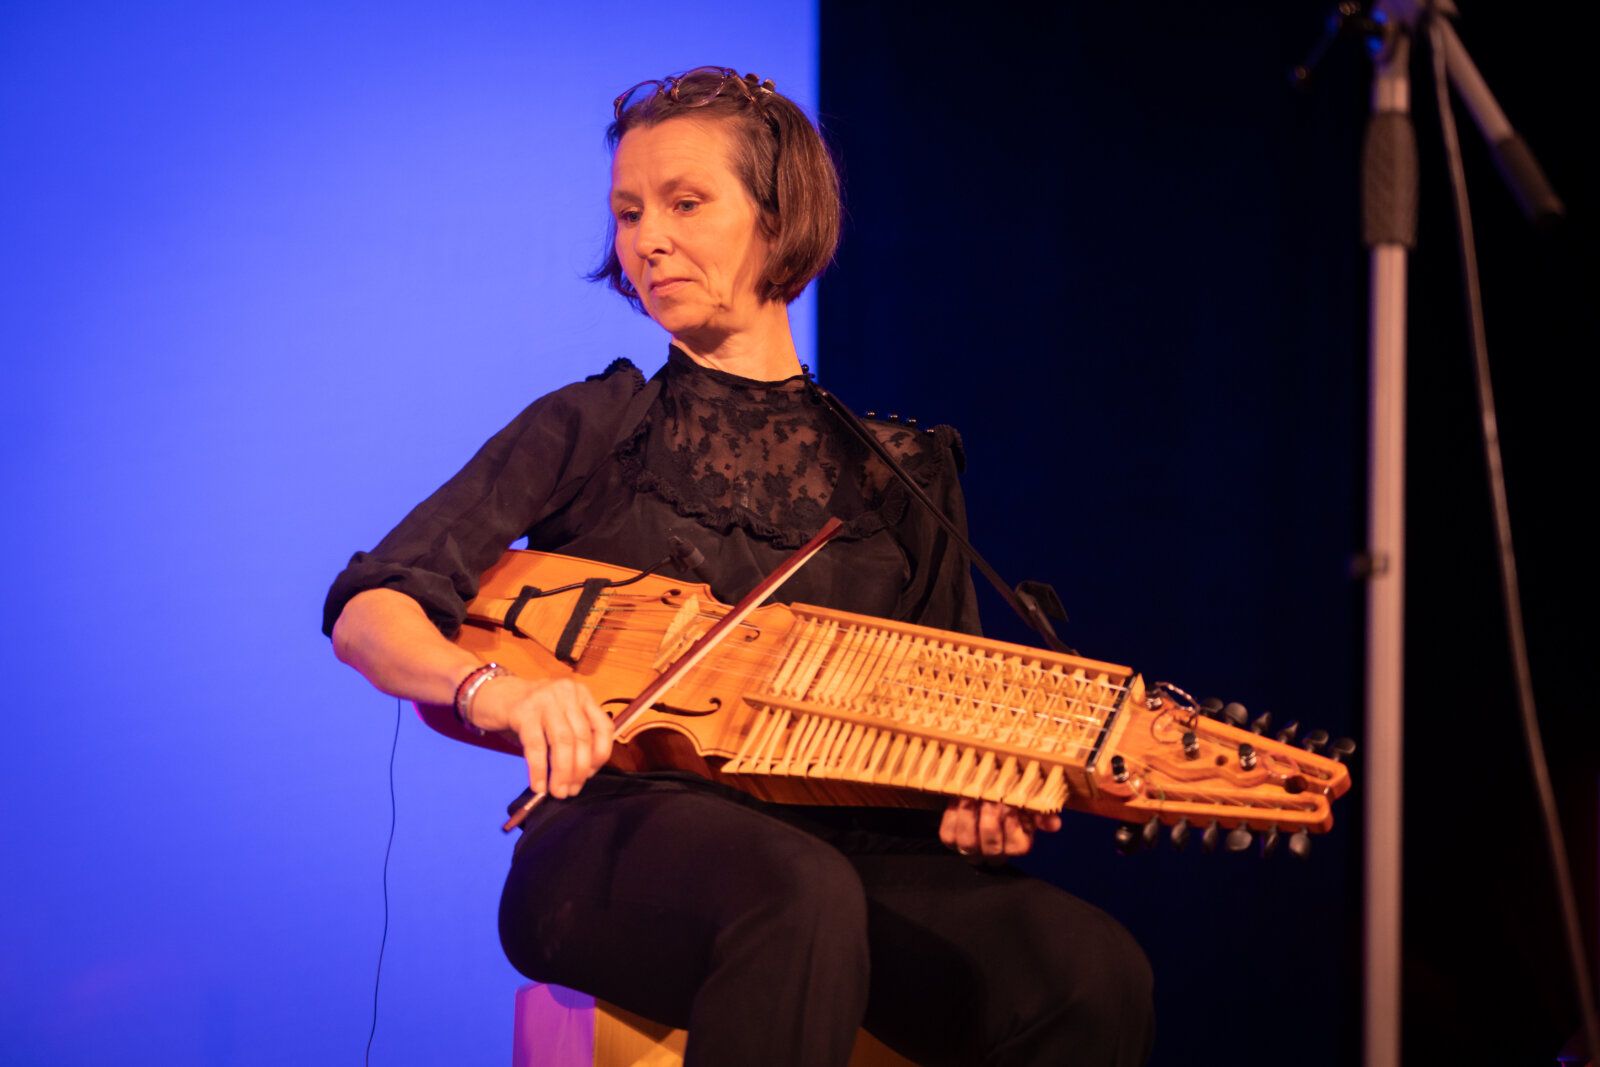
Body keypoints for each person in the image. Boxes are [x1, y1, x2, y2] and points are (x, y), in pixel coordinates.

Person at [324, 66, 1154, 1066]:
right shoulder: (593, 424)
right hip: (618, 842)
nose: (646, 238)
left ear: (779, 217)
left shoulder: (902, 471)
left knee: (1087, 968)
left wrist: (976, 799)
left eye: (684, 203)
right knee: (793, 889)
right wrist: (496, 690)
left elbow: (946, 713)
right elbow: (369, 608)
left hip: (861, 857)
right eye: (629, 212)